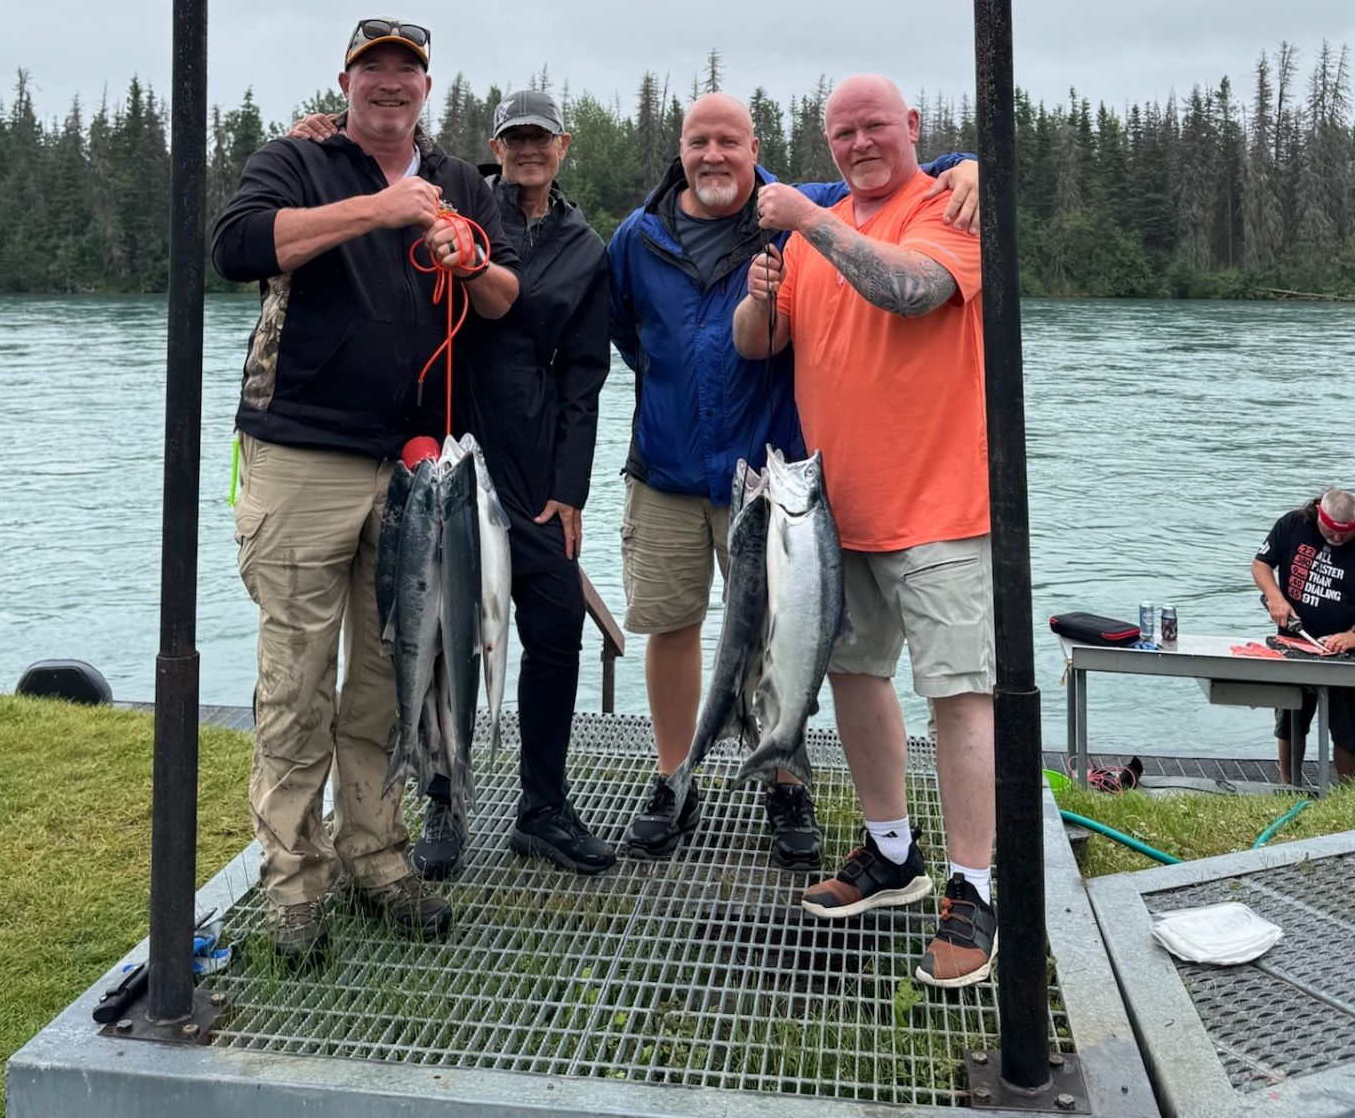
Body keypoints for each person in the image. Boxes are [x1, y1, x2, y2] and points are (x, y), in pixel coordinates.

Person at [210, 17, 519, 962]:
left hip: (418, 470)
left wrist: (473, 262)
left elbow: (505, 297)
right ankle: (294, 882)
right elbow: (237, 246)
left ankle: (376, 852)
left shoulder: (462, 181)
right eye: (372, 69)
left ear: (428, 88)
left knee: (391, 674)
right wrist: (376, 212)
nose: (390, 84)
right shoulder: (300, 160)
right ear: (345, 81)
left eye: (407, 71)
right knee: (296, 680)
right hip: (301, 453)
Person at [608, 90, 978, 866]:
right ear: (679, 149)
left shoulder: (801, 210)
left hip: (775, 481)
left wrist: (962, 165)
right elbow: (630, 340)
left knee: (785, 634)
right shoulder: (635, 240)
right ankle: (675, 778)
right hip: (667, 468)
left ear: (755, 148)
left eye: (729, 142)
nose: (713, 156)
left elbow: (884, 178)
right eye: (698, 141)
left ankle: (785, 778)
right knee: (670, 628)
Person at [733, 73, 994, 989]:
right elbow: (756, 342)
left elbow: (915, 293)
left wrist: (810, 220)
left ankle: (974, 885)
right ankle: (892, 852)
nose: (857, 143)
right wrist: (761, 287)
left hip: (943, 506)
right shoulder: (819, 228)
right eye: (841, 132)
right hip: (834, 513)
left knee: (960, 696)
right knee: (854, 676)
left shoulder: (950, 209)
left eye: (874, 125)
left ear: (913, 125)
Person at [411, 87, 617, 878]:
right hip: (456, 439)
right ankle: (444, 795)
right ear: (495, 148)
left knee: (558, 626)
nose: (526, 150)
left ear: (563, 146)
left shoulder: (585, 249)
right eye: (512, 139)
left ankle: (543, 805)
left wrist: (572, 490)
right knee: (444, 628)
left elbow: (586, 376)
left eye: (540, 138)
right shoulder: (463, 210)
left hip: (536, 456)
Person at [1252, 488, 1355, 787]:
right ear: (1319, 513)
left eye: (1345, 535)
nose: (1336, 540)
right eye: (1331, 532)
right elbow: (1260, 565)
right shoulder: (1293, 524)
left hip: (1343, 650)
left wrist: (1351, 637)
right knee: (1291, 721)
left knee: (1347, 729)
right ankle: (1289, 785)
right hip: (1294, 641)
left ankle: (1347, 795)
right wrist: (1275, 597)